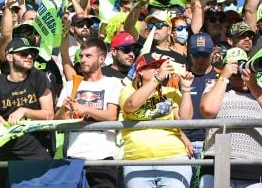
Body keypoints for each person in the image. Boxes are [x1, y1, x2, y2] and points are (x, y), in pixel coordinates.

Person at [0, 37, 55, 188]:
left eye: (32, 53)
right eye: (24, 54)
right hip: (3, 154)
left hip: (34, 154)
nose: (30, 56)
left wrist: (25, 111)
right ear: (9, 57)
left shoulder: (38, 77)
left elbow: (49, 115)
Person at [119, 53, 195, 188]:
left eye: (159, 67)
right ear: (140, 71)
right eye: (154, 66)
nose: (158, 69)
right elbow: (130, 105)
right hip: (137, 160)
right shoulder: (128, 90)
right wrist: (157, 78)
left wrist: (186, 89)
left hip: (173, 157)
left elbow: (185, 120)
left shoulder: (171, 92)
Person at [56, 38, 122, 187]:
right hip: (73, 155)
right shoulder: (69, 85)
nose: (83, 60)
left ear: (101, 59)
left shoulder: (113, 83)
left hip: (103, 157)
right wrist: (63, 110)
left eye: (88, 56)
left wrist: (86, 109)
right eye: (81, 56)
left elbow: (111, 116)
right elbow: (57, 122)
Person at [199, 50, 262, 186]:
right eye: (233, 65)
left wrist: (253, 85)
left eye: (241, 64)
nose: (237, 70)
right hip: (217, 162)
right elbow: (208, 110)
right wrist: (224, 77)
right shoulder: (215, 86)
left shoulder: (259, 89)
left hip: (254, 164)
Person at [181, 33, 217, 185]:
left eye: (205, 54)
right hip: (184, 143)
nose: (201, 59)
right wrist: (182, 137)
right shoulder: (180, 78)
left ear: (212, 53)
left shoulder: (221, 78)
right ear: (190, 54)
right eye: (197, 55)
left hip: (211, 143)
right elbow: (170, 112)